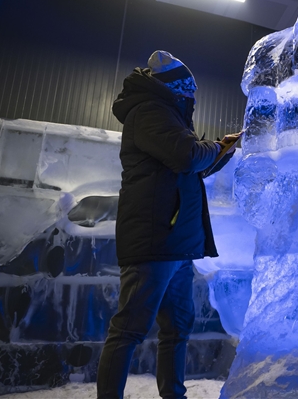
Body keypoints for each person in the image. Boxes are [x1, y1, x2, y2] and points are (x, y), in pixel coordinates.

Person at [97, 50, 241, 399]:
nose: (192, 96)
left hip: (175, 243)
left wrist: (223, 151)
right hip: (154, 240)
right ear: (178, 88)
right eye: (189, 89)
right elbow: (188, 155)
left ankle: (173, 395)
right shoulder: (150, 112)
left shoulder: (169, 118)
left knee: (177, 327)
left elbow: (193, 168)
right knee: (130, 328)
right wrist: (215, 146)